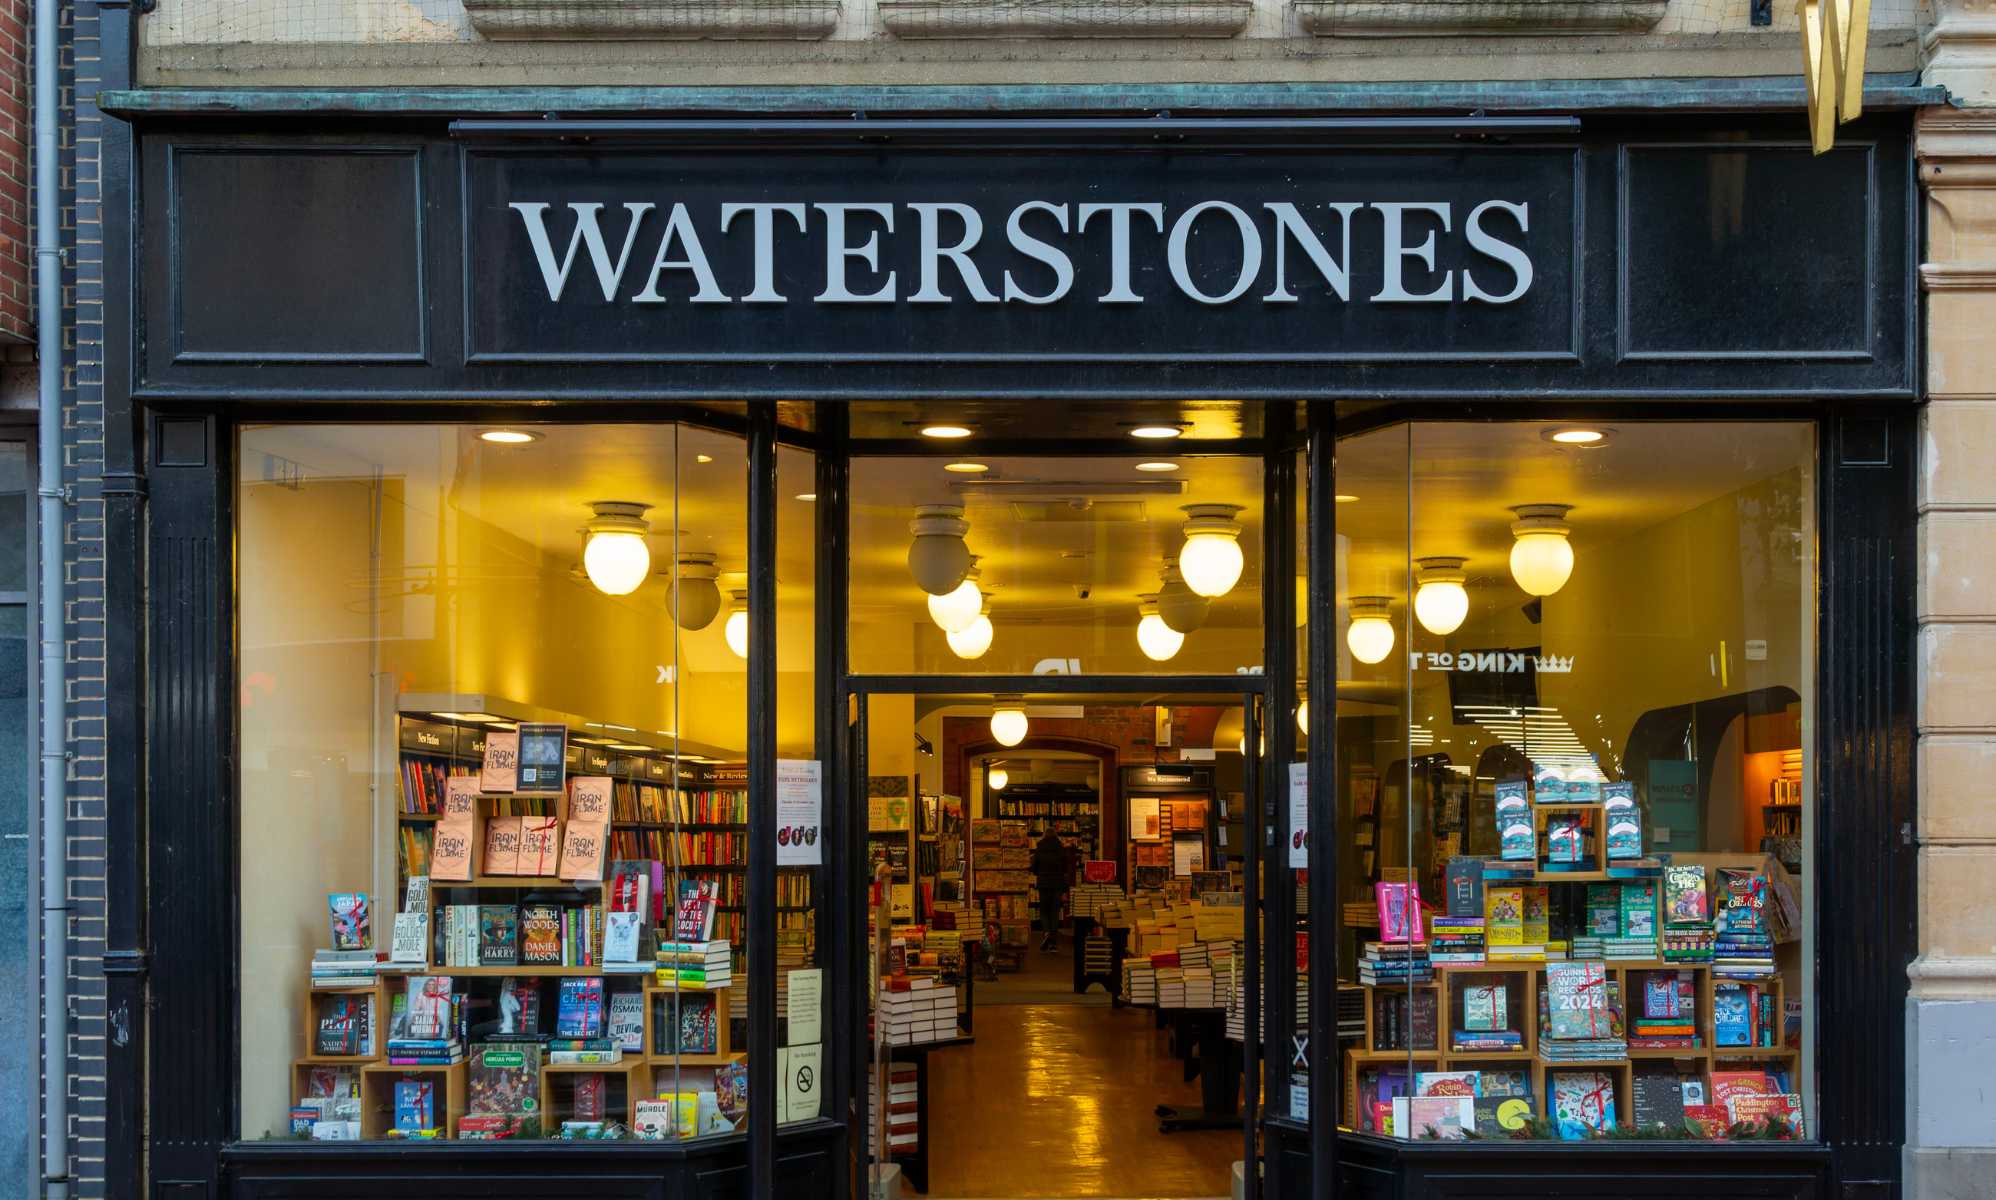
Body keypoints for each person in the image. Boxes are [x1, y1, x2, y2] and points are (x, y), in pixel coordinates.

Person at [1030, 827, 1072, 952]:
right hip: (1057, 883)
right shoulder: (1061, 849)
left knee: (1044, 910)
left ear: (1044, 836)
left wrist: (1040, 873)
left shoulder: (1039, 848)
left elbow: (1034, 868)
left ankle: (1046, 932)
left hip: (1043, 883)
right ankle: (1053, 940)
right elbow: (1065, 868)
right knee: (1054, 911)